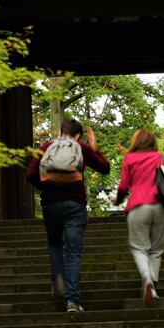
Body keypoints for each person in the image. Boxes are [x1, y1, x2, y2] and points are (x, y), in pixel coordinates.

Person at [26, 118, 110, 314]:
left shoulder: (46, 147)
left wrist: (45, 186)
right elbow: (104, 168)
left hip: (50, 204)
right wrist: (95, 149)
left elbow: (30, 174)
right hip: (74, 204)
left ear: (60, 132)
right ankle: (72, 301)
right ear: (78, 135)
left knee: (55, 243)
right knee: (73, 253)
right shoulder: (81, 147)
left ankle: (58, 277)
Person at [114, 129, 164, 307]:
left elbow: (123, 186)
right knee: (156, 249)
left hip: (138, 206)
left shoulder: (130, 159)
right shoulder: (163, 158)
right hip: (163, 207)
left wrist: (118, 200)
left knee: (139, 248)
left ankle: (146, 278)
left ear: (136, 142)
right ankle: (153, 288)